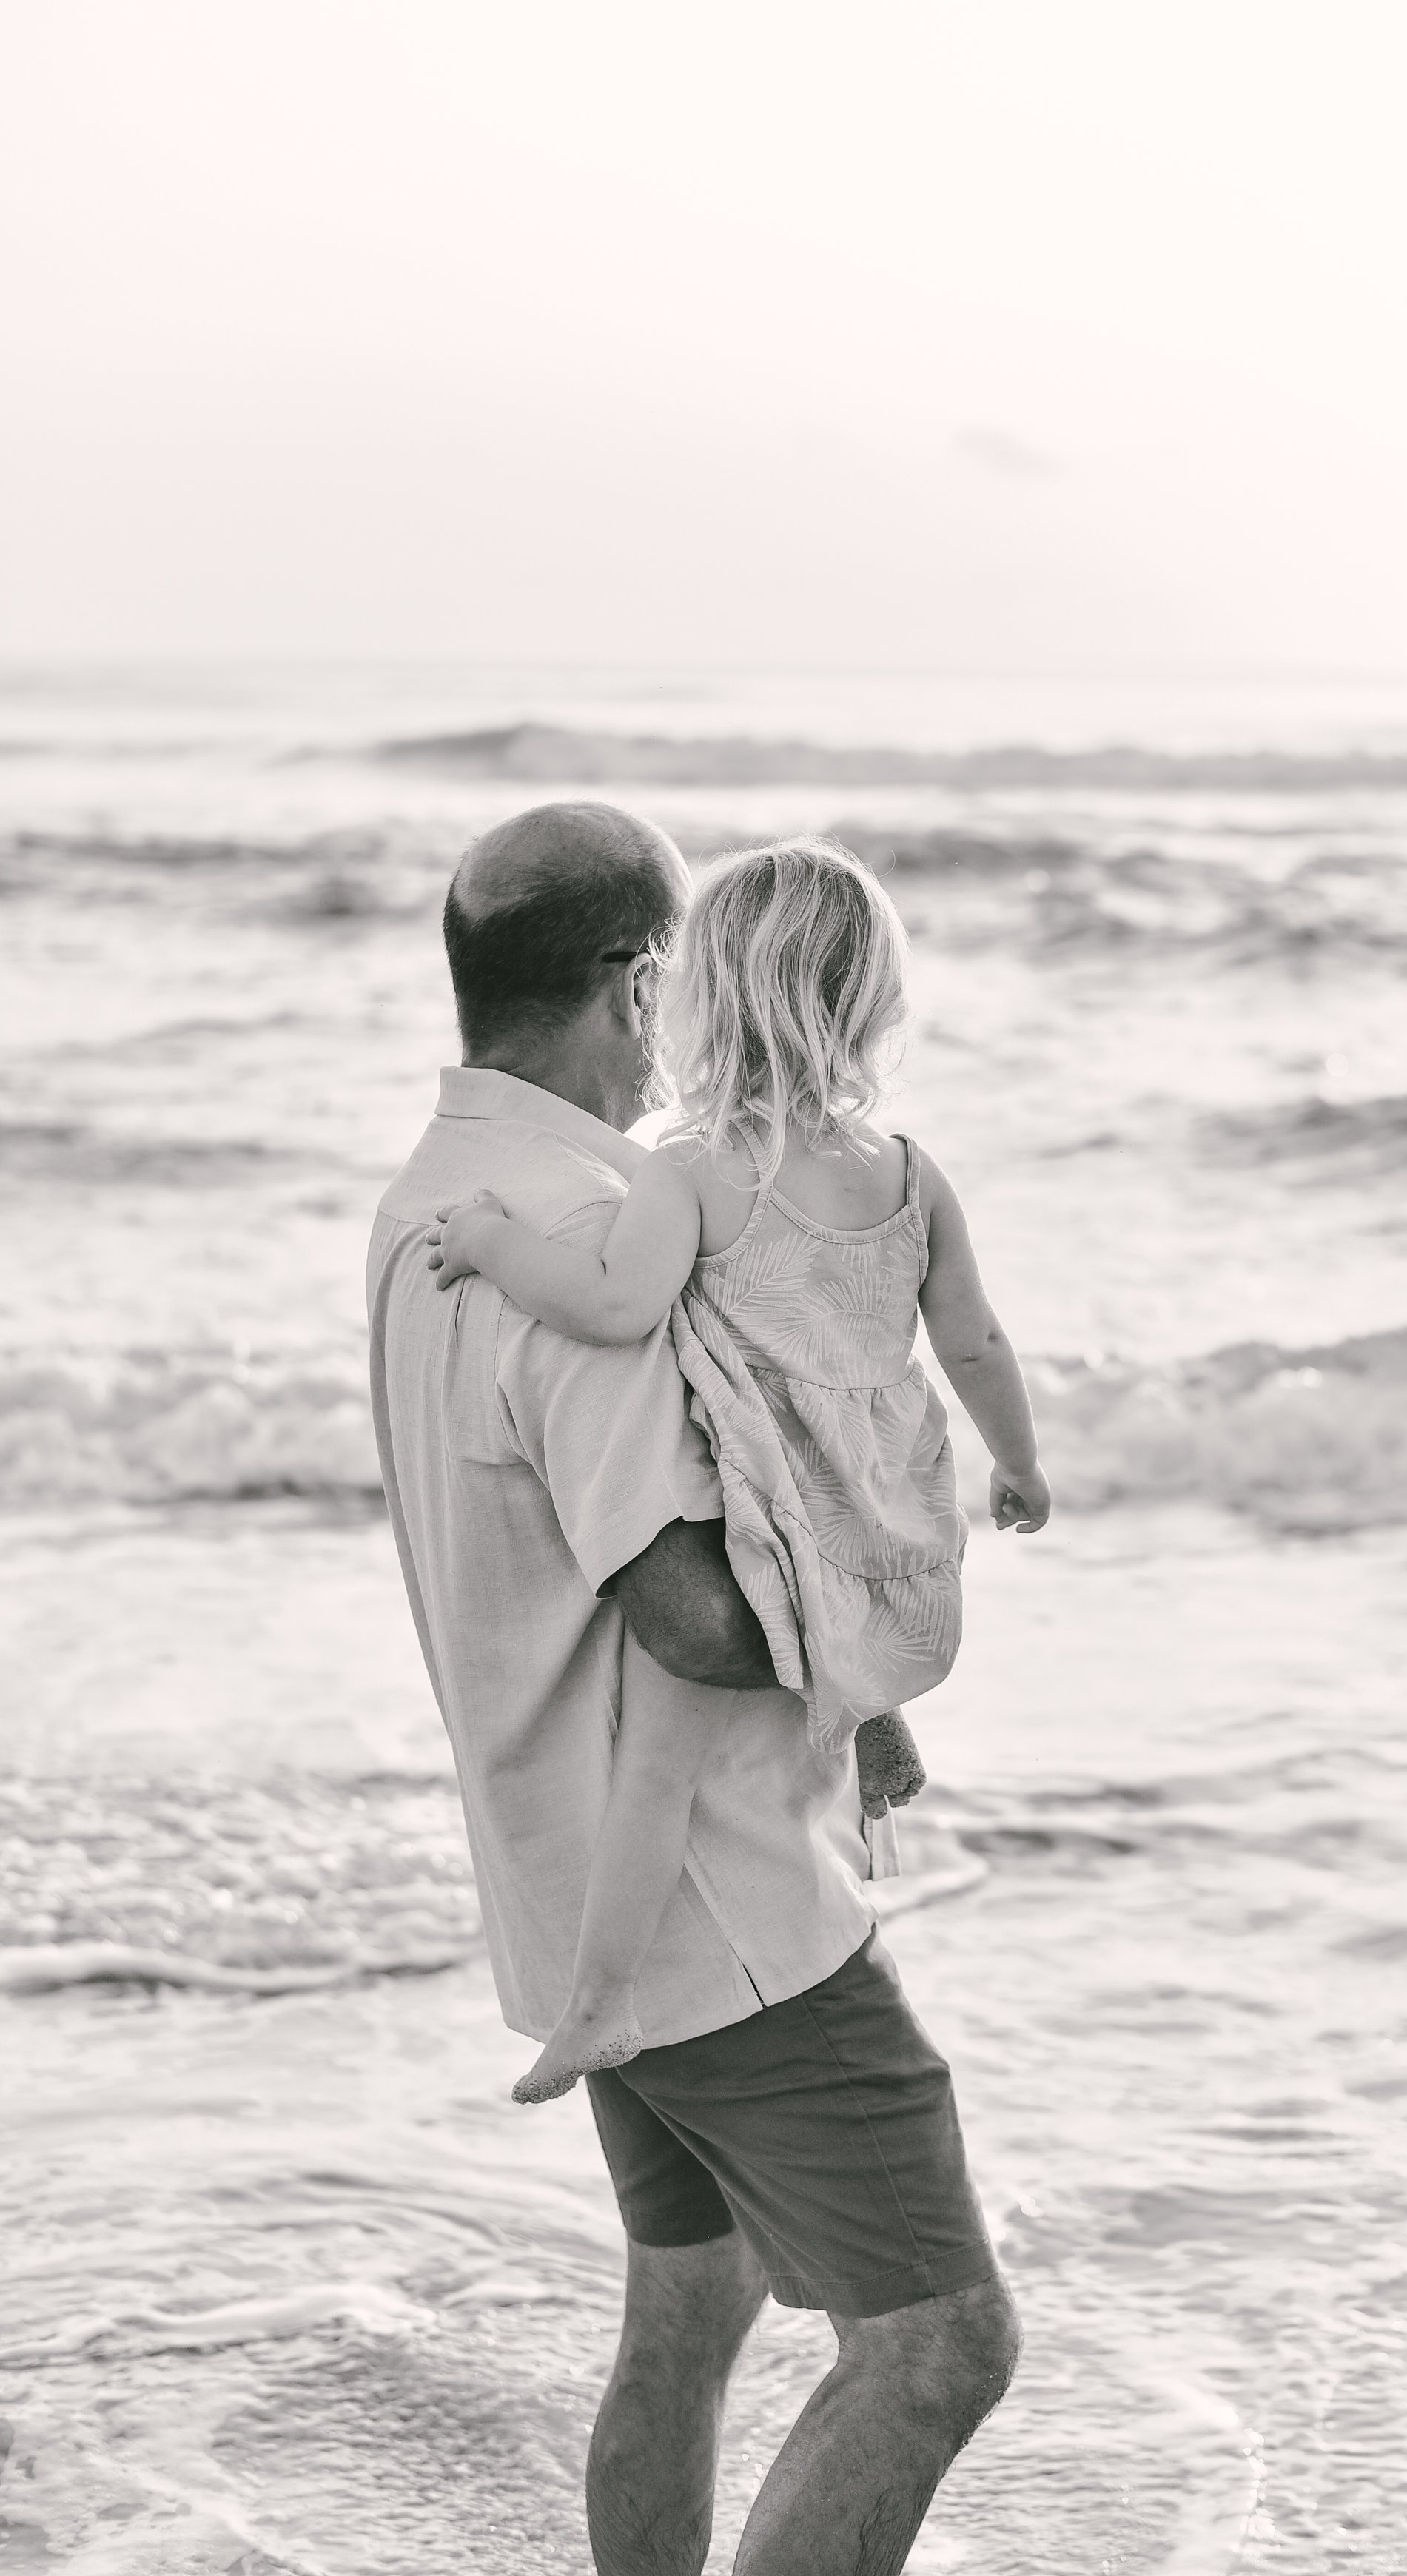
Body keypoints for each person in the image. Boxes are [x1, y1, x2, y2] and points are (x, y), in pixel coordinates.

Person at [367, 801, 1020, 2576]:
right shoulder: (587, 1226)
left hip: (573, 1879)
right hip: (720, 1911)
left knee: (687, 2308)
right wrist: (872, 1646)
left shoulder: (431, 1203)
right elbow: (692, 1610)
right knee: (941, 2345)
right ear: (644, 980)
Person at [426, 836, 1053, 2105]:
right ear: (872, 1004)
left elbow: (611, 1304)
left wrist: (492, 1243)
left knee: (659, 1762)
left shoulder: (695, 1170)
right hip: (874, 1495)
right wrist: (1019, 1460)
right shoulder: (911, 1172)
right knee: (831, 1584)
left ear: (699, 997)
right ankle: (866, 1710)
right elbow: (974, 1338)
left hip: (761, 1505)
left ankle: (599, 2001)